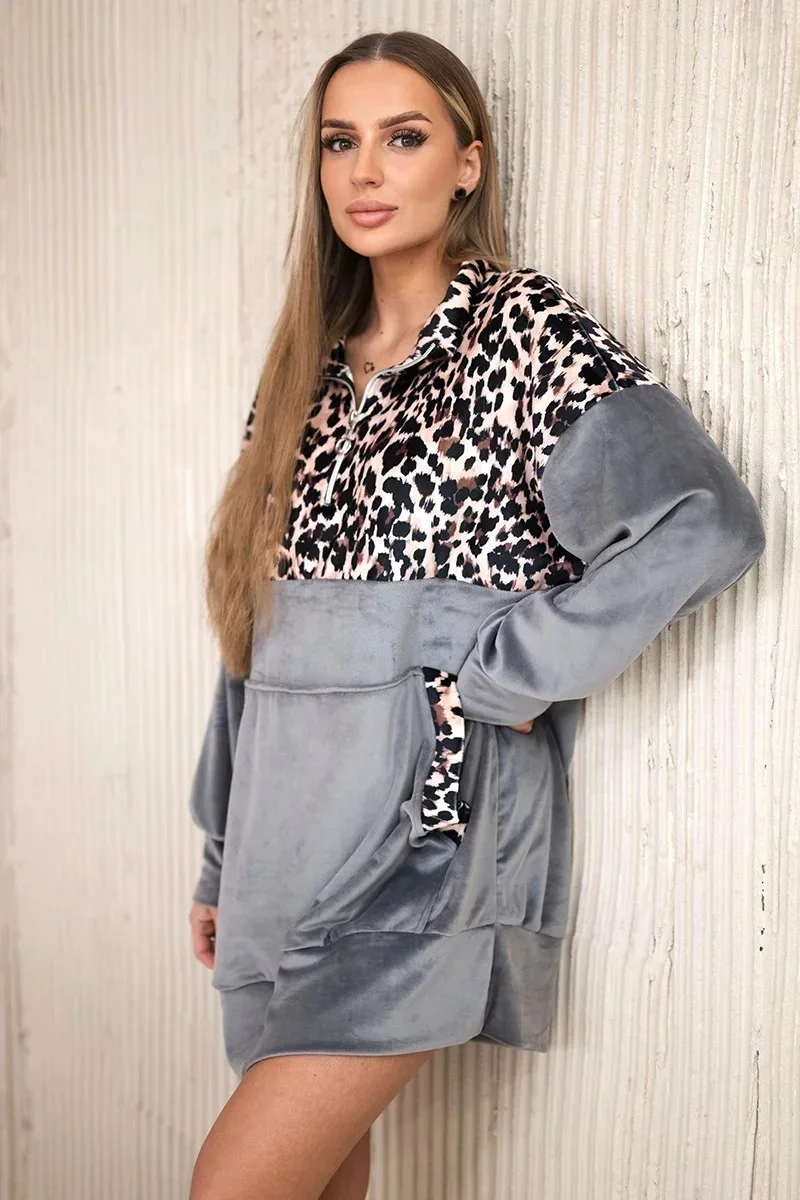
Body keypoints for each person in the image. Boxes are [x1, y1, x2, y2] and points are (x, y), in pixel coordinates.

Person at [186, 29, 766, 1200]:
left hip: (422, 838)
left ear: (466, 163)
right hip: (277, 843)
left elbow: (703, 523)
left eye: (402, 138)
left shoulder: (522, 328)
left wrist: (505, 672)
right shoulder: (303, 365)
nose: (364, 170)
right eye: (339, 142)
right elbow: (256, 626)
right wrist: (218, 853)